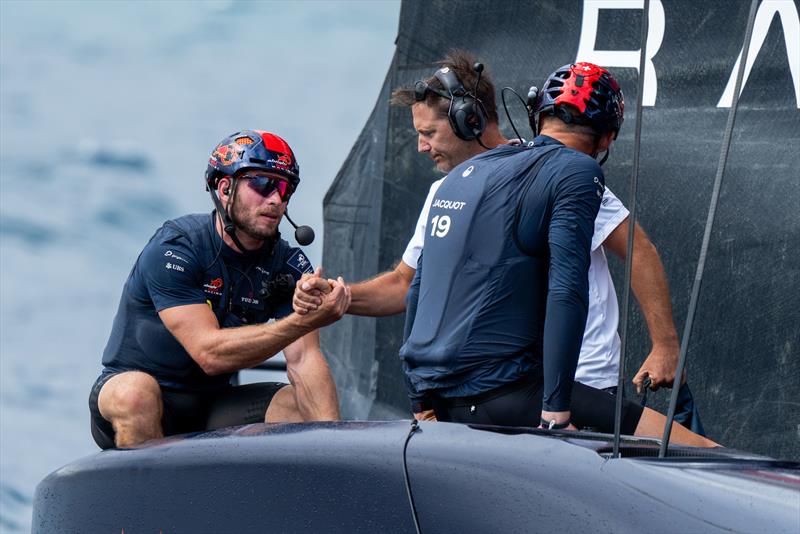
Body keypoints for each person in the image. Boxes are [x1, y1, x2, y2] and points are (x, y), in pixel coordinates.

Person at [295, 52, 694, 428]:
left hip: (579, 378)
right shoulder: (445, 192)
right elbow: (405, 284)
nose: (421, 145)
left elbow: (638, 250)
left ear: (470, 120)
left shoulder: (554, 171)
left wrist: (665, 346)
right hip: (500, 391)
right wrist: (339, 298)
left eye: (429, 132)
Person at [89, 130, 350, 450]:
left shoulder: (289, 265)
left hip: (213, 404)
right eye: (263, 184)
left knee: (297, 405)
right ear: (225, 188)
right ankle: (149, 495)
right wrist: (302, 321)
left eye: (284, 188)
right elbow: (209, 353)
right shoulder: (176, 248)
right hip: (137, 396)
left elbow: (305, 360)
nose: (276, 199)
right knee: (136, 393)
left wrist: (336, 447)